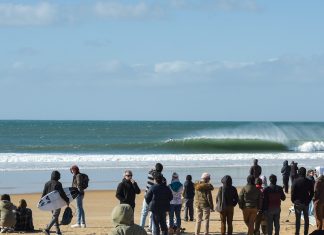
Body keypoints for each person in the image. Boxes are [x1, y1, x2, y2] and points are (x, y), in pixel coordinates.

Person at [42, 170, 69, 235]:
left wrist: (42, 203)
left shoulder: (47, 183)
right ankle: (47, 229)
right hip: (57, 203)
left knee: (55, 217)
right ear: (58, 176)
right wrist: (67, 200)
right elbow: (62, 193)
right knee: (55, 216)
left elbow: (44, 194)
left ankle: (58, 231)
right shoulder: (58, 184)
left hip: (49, 203)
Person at [140, 163, 164, 230]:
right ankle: (150, 228)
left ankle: (141, 228)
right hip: (155, 197)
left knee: (144, 213)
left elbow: (152, 171)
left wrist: (153, 169)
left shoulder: (150, 173)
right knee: (152, 214)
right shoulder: (161, 176)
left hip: (147, 195)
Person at [291, 167, 314, 235]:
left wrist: (293, 200)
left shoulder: (295, 181)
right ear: (305, 173)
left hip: (298, 203)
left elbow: (292, 192)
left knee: (298, 219)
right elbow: (312, 193)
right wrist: (309, 200)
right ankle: (305, 233)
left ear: (299, 172)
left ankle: (297, 233)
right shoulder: (309, 181)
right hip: (306, 202)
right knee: (306, 219)